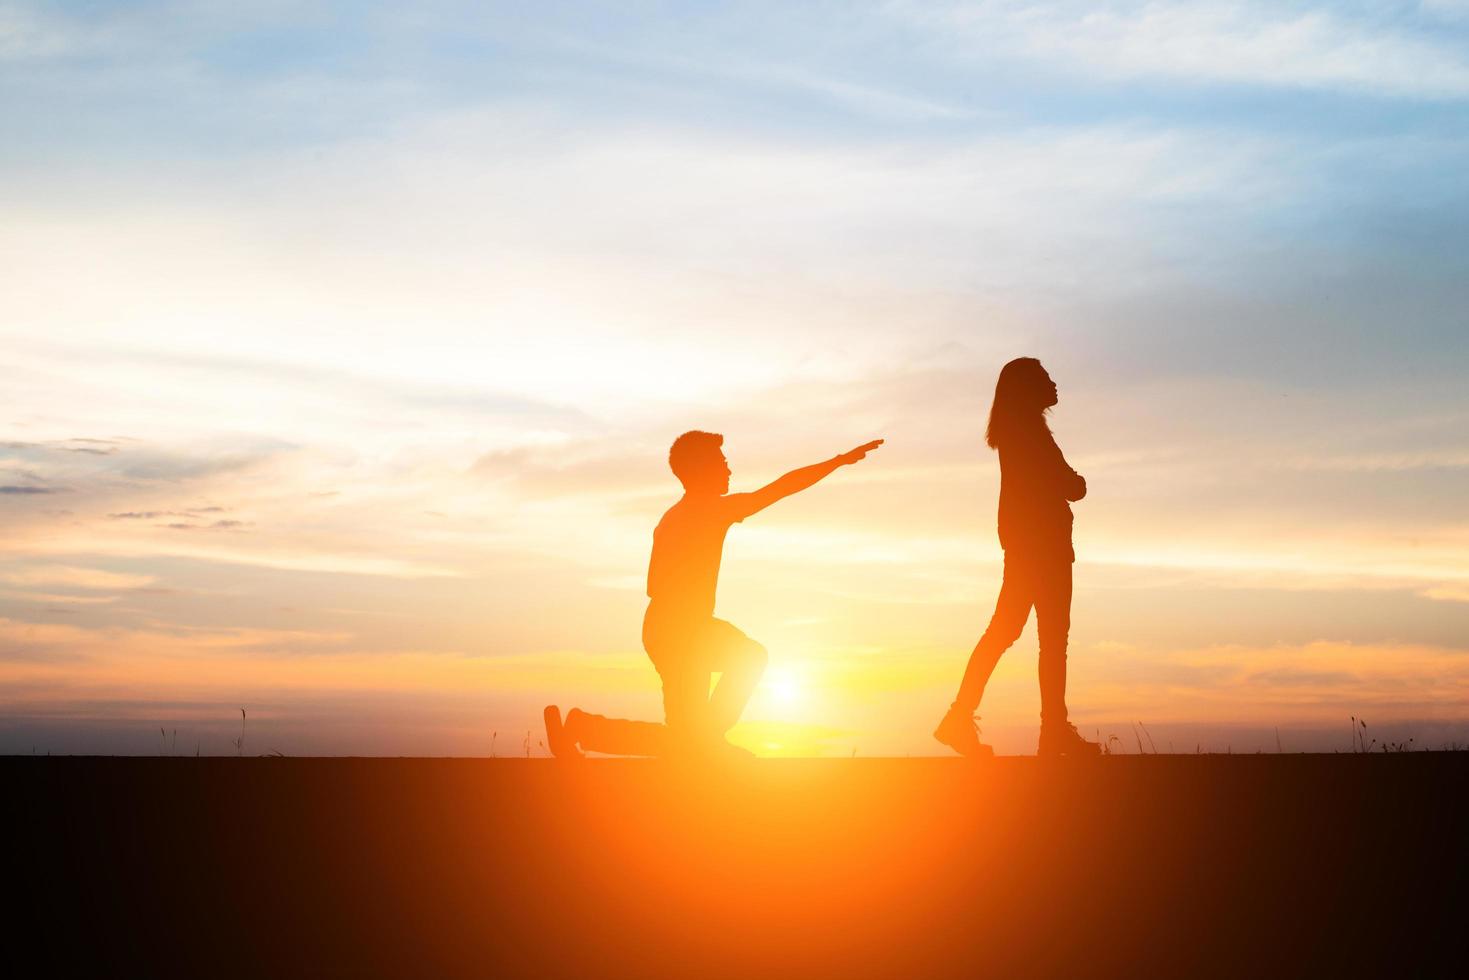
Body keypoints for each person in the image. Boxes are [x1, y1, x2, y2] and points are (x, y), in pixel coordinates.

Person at [544, 431, 883, 759]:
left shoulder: (674, 517)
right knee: (748, 660)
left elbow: (654, 585)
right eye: (721, 461)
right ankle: (706, 741)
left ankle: (584, 728)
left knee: (685, 742)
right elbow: (781, 488)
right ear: (701, 469)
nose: (728, 468)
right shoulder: (707, 511)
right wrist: (837, 462)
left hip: (671, 627)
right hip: (681, 630)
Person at [934, 358, 1100, 758]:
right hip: (1043, 548)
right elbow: (1070, 485)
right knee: (1049, 640)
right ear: (1028, 388)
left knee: (1006, 632)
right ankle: (1052, 731)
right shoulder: (1030, 433)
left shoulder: (1019, 431)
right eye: (1045, 377)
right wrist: (1076, 482)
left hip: (1027, 546)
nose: (1054, 382)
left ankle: (962, 719)